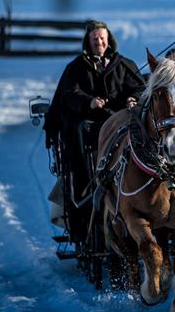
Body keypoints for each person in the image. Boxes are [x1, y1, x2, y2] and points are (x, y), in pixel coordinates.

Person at [44, 21, 145, 227]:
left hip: (119, 120)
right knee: (81, 128)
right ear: (88, 42)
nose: (99, 42)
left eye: (102, 38)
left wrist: (132, 99)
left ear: (109, 40)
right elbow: (70, 94)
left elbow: (138, 87)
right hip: (89, 123)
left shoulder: (124, 64)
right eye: (94, 39)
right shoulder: (76, 67)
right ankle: (86, 184)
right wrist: (89, 102)